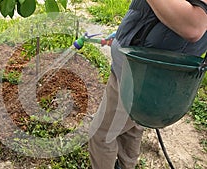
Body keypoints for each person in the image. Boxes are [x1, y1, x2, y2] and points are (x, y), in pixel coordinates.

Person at [88, 0, 207, 169]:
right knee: (132, 128)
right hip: (138, 72)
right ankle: (125, 165)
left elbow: (194, 25)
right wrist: (125, 34)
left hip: (141, 77)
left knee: (101, 135)